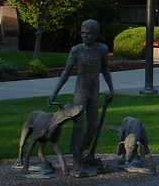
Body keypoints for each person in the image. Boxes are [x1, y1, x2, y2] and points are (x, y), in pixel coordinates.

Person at [48, 19, 114, 175]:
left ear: (96, 34)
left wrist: (111, 89)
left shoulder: (102, 50)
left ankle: (82, 153)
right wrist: (54, 93)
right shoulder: (76, 50)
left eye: (88, 33)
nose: (84, 36)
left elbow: (105, 70)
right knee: (78, 125)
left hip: (94, 91)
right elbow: (66, 72)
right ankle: (77, 160)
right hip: (81, 91)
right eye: (82, 33)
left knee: (92, 126)